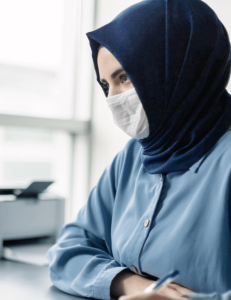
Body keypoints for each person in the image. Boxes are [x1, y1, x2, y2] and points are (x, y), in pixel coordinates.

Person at [47, 1, 231, 300]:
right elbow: (68, 250)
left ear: (181, 67)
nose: (114, 99)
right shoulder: (133, 156)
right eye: (106, 84)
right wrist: (127, 283)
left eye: (125, 77)